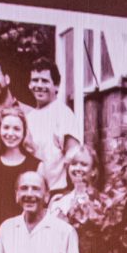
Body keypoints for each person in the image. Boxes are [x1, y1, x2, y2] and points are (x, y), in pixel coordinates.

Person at [0, 112, 43, 241]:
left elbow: (39, 208)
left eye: (16, 129)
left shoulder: (36, 165)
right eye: (6, 127)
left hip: (23, 236)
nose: (10, 133)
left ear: (24, 132)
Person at [24, 60, 82, 190]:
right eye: (35, 80)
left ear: (56, 86)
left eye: (45, 81)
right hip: (32, 192)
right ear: (29, 84)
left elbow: (74, 157)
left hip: (56, 193)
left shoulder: (63, 114)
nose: (39, 85)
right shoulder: (28, 118)